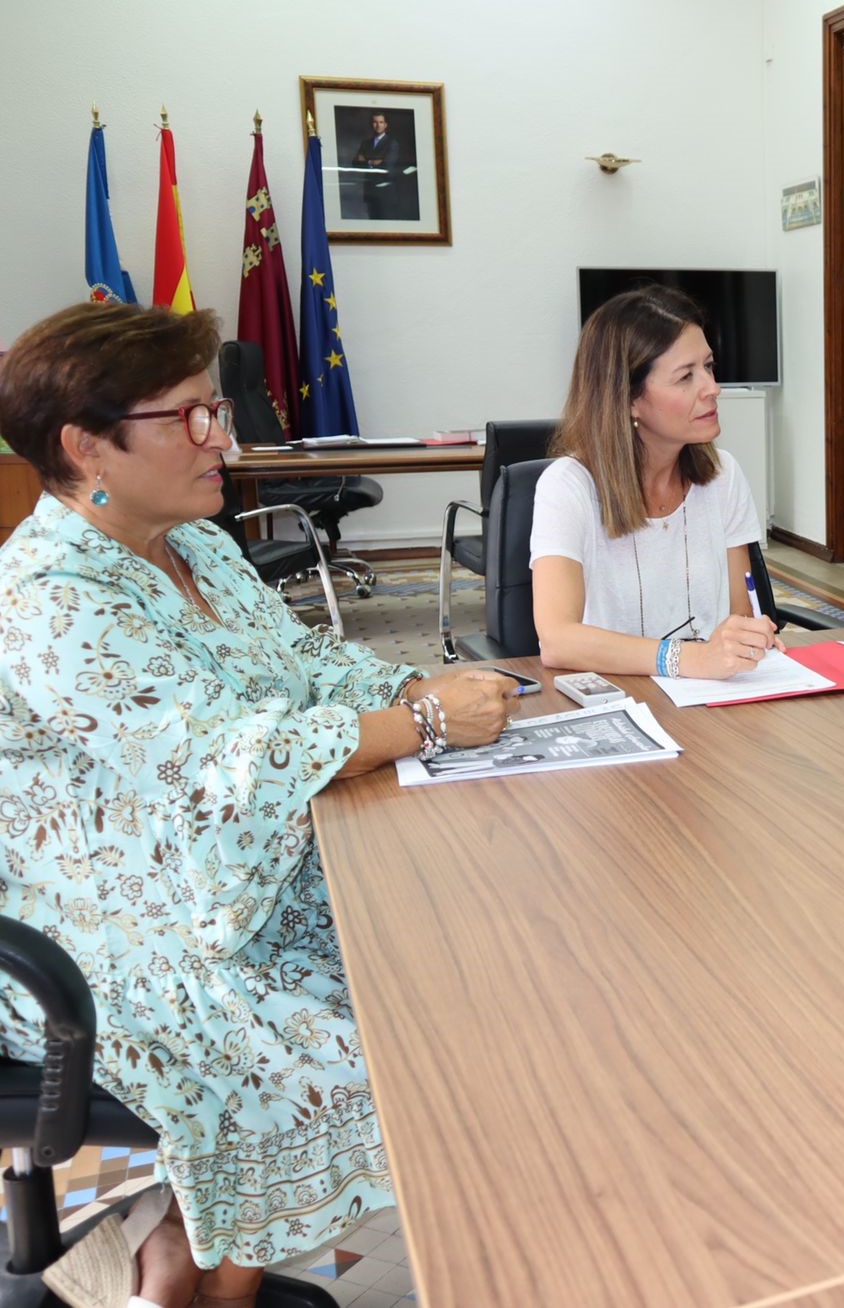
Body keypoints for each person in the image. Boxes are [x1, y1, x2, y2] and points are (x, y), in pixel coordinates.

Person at [0, 303, 518, 1306]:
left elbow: (303, 664)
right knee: (371, 1045)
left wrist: (407, 688)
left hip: (222, 867)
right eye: (187, 416)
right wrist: (423, 726)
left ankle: (181, 1251)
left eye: (216, 408)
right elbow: (218, 762)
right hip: (113, 917)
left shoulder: (196, 545)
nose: (220, 437)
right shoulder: (48, 593)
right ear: (83, 444)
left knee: (461, 958)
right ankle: (204, 1274)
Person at [531, 285, 779, 678]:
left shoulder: (724, 476)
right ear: (629, 398)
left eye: (709, 367)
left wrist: (744, 638)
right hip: (618, 697)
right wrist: (688, 659)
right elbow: (558, 640)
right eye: (685, 377)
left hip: (710, 700)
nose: (712, 388)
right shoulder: (568, 487)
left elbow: (737, 612)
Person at [348, 112, 407, 220]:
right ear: (371, 124)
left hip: (386, 193)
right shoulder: (365, 143)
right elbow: (355, 163)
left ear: (386, 125)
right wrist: (373, 162)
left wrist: (366, 160)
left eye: (381, 122)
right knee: (372, 224)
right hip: (370, 191)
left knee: (385, 227)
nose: (378, 125)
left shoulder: (392, 143)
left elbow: (387, 166)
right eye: (375, 122)